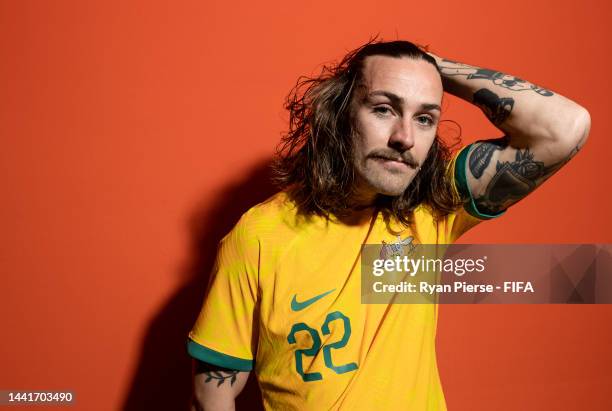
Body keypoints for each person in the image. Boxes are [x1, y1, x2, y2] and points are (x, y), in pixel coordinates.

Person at [186, 39, 590, 410]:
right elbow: (213, 388)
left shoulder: (434, 208)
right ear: (340, 114)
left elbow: (564, 127)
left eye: (425, 118)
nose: (405, 137)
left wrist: (432, 67)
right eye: (384, 109)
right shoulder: (259, 234)